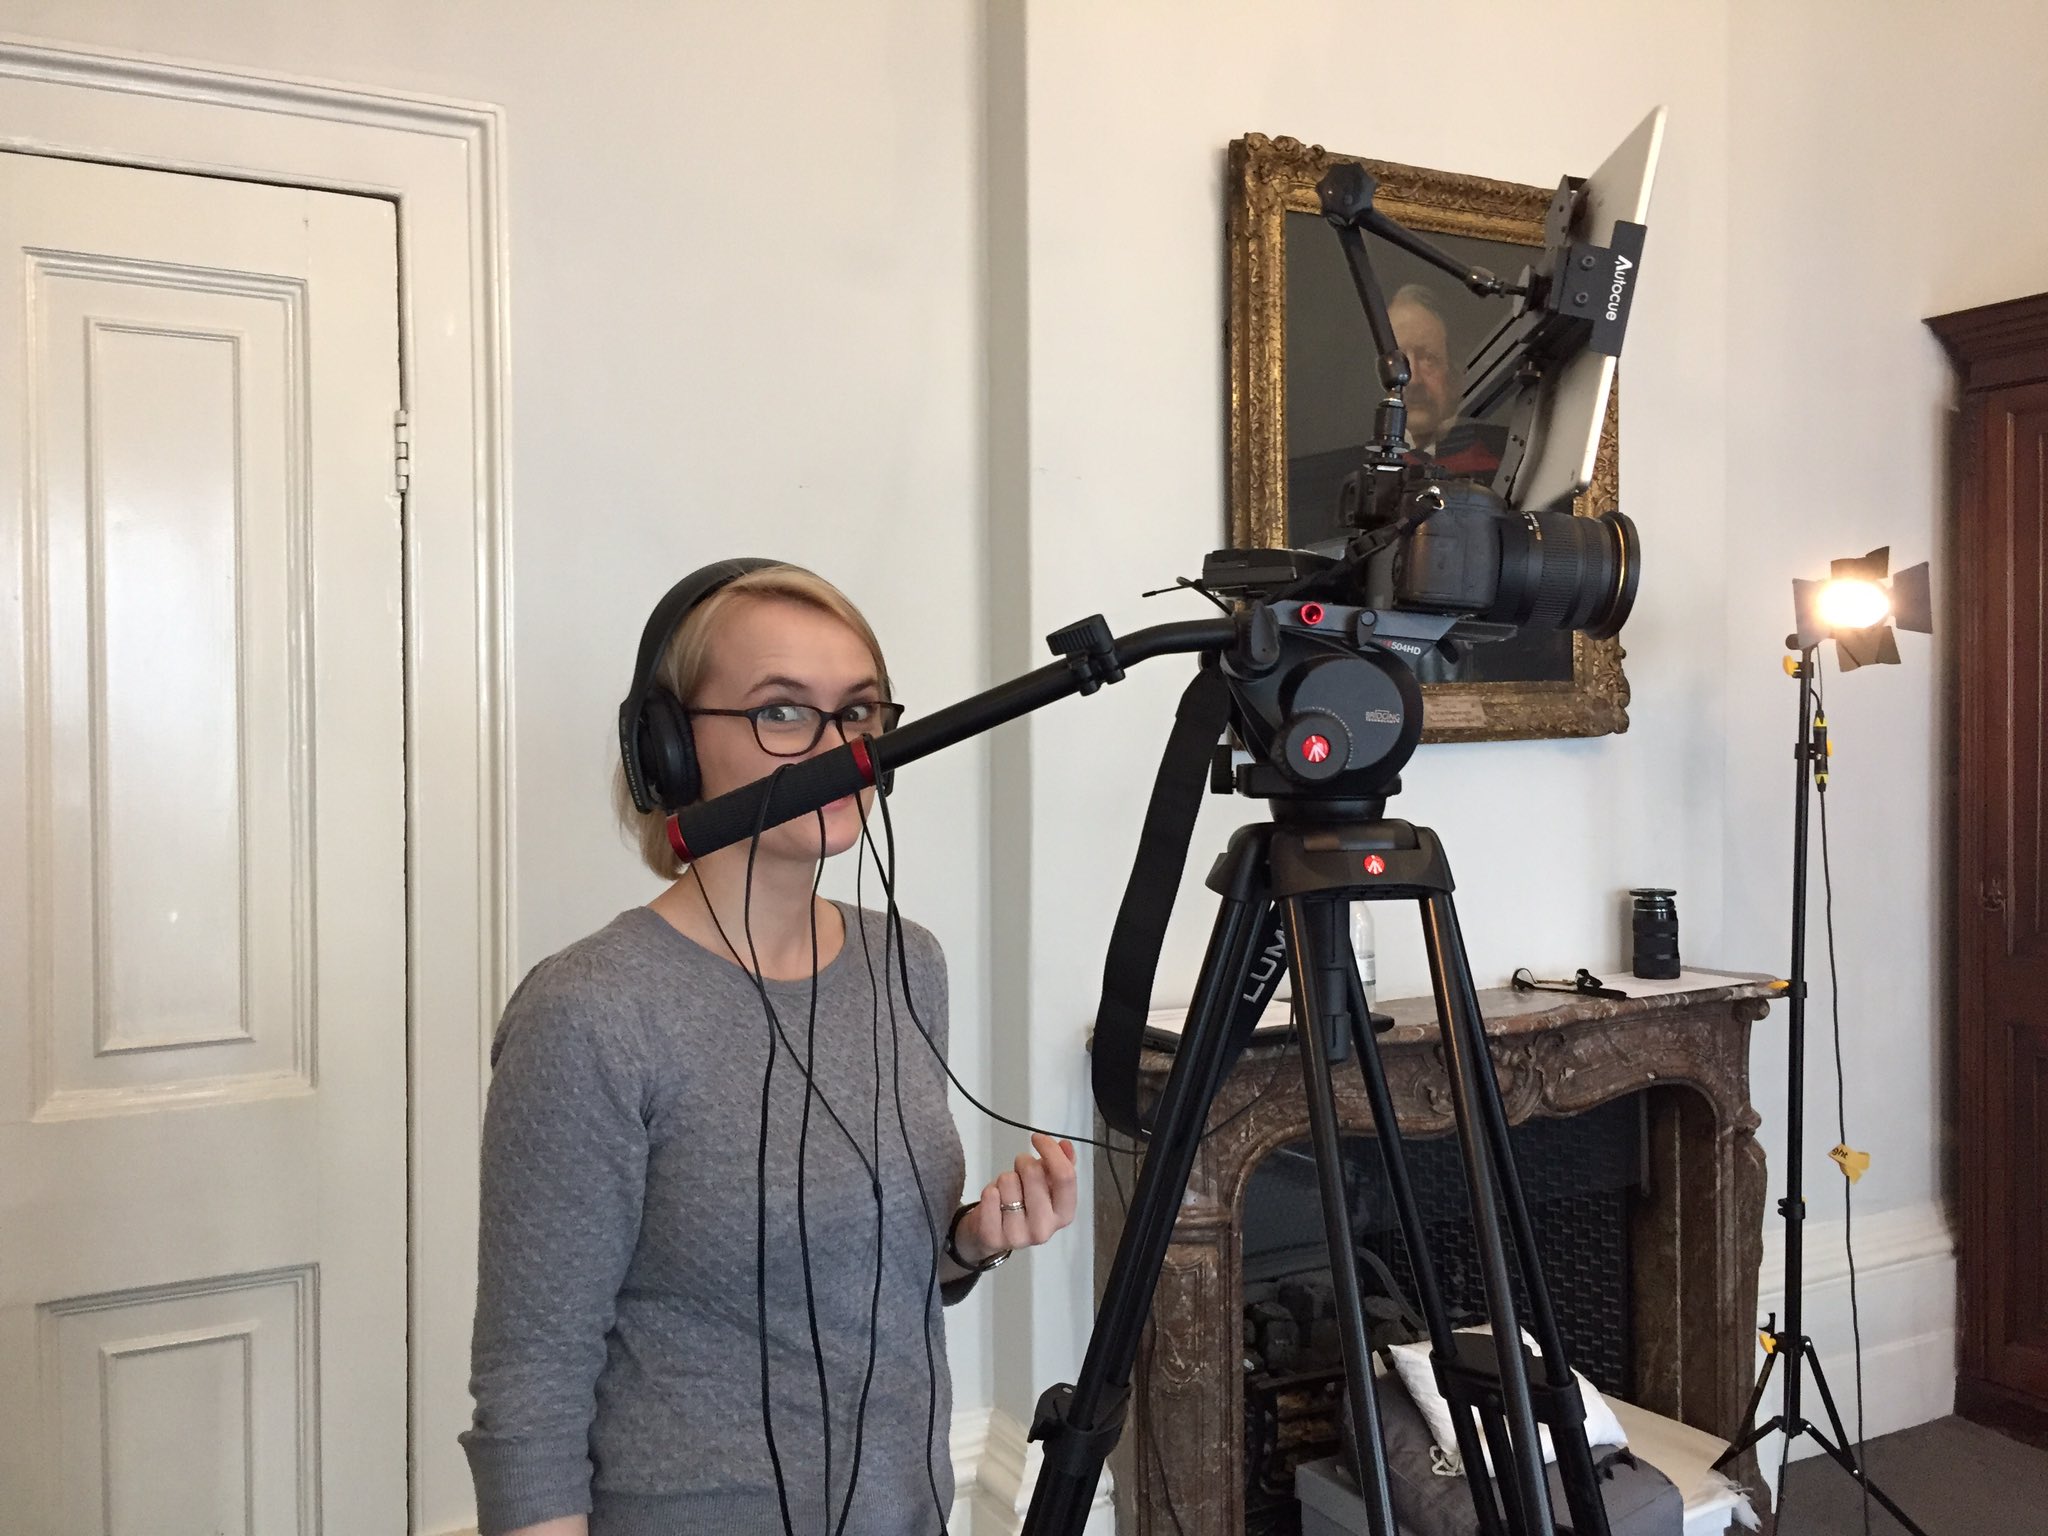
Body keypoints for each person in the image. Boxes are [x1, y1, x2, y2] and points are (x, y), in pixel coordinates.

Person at [462, 561, 1077, 1536]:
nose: (841, 746)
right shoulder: (590, 1012)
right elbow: (529, 1388)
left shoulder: (905, 962)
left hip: (904, 1511)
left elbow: (855, 1271)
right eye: (783, 711)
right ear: (668, 749)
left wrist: (966, 1242)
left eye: (861, 711)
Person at [1385, 282, 1507, 480]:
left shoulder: (1501, 470)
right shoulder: (1350, 472)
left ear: (1456, 372)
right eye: (1398, 361)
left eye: (1428, 359)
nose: (1413, 380)